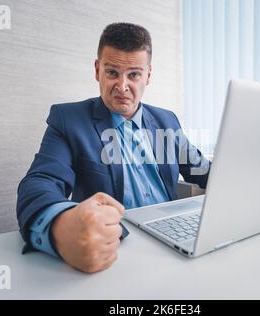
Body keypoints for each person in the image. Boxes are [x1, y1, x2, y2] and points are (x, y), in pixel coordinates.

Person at [17, 22, 210, 273]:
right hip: (115, 249)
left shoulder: (166, 120)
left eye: (133, 74)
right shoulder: (68, 120)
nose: (122, 86)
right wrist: (60, 227)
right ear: (97, 70)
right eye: (112, 73)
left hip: (171, 239)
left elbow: (202, 170)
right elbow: (39, 182)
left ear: (147, 76)